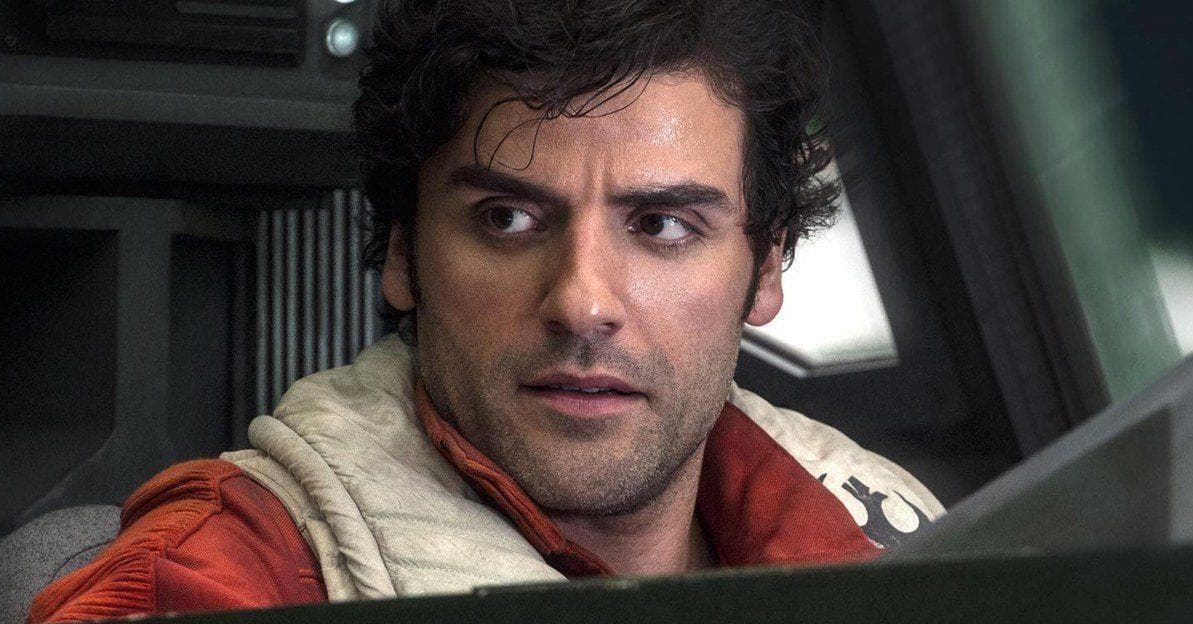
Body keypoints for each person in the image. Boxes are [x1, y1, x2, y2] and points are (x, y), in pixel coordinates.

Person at [29, 0, 943, 620]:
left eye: (661, 225)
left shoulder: (912, 545)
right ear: (403, 252)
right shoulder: (219, 580)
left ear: (767, 264)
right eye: (507, 218)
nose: (582, 302)